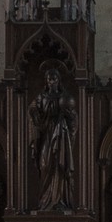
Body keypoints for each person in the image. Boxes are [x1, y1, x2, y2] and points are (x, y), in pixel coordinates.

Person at [29, 66, 77, 211]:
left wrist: (68, 114)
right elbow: (32, 113)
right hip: (46, 136)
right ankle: (45, 202)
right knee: (45, 165)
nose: (52, 81)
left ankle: (59, 200)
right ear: (46, 81)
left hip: (61, 137)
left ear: (58, 80)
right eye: (49, 79)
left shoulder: (65, 98)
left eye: (54, 78)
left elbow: (73, 121)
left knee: (59, 166)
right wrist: (34, 114)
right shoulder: (40, 98)